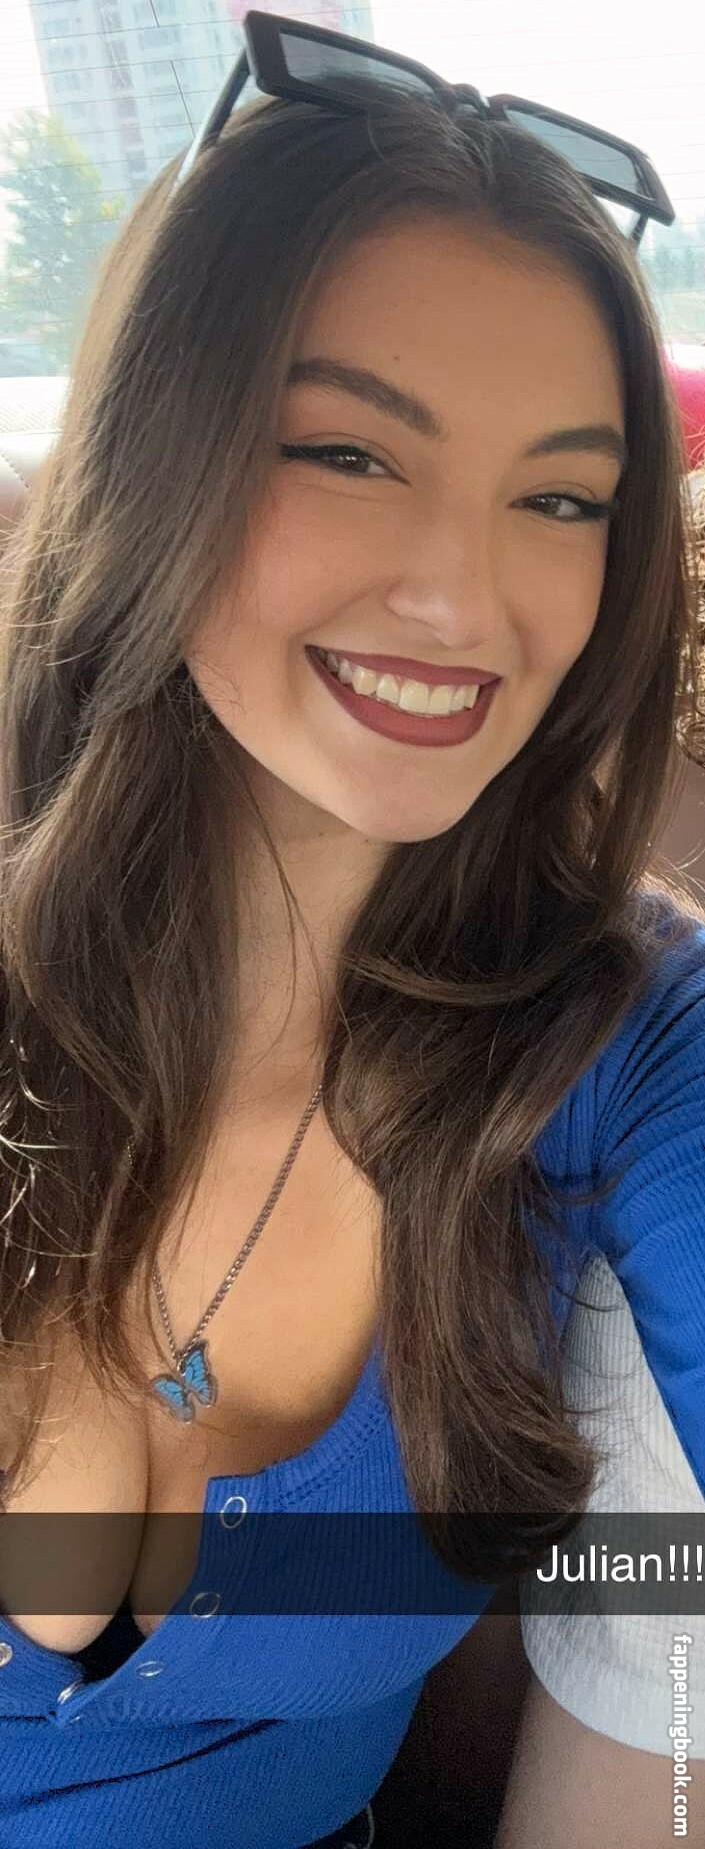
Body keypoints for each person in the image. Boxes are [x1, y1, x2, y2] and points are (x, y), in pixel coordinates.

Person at [0, 23, 703, 1849]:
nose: (463, 597)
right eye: (348, 451)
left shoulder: (628, 1033)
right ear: (158, 448)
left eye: (561, 496)